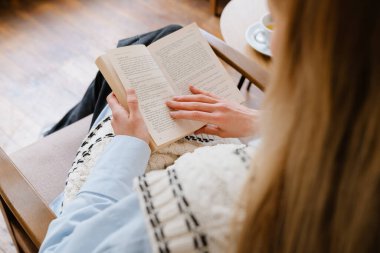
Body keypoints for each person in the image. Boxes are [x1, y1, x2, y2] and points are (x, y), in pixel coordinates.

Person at [40, 0, 380, 251]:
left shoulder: (215, 193)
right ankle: (60, 131)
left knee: (123, 70)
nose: (273, 43)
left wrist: (129, 144)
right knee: (164, 36)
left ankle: (52, 140)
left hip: (107, 199)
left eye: (277, 21)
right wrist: (264, 124)